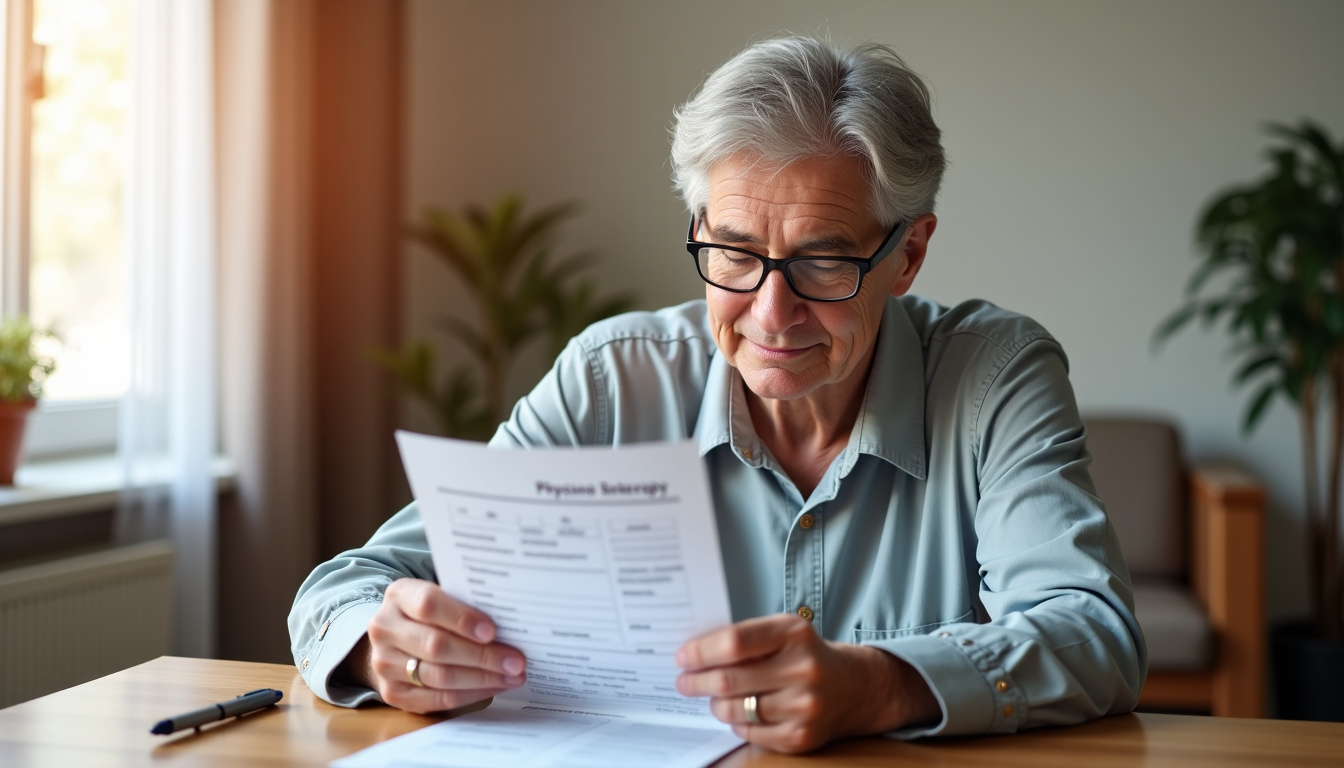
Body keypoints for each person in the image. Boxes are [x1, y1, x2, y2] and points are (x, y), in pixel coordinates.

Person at [289, 36, 1146, 753]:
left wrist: (880, 687)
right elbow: (348, 586)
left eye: (823, 261)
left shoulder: (995, 376)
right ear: (700, 231)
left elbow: (1094, 632)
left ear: (908, 255)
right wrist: (383, 647)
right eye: (734, 254)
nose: (772, 313)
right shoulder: (611, 381)